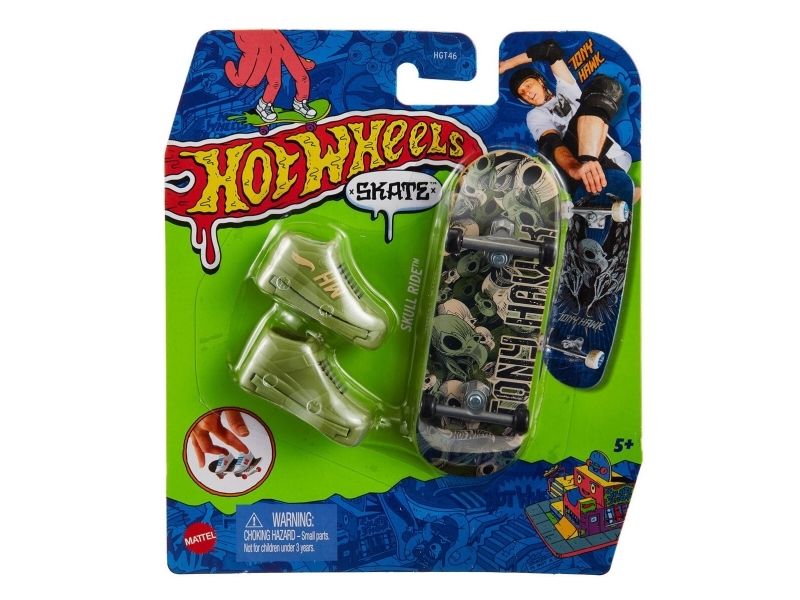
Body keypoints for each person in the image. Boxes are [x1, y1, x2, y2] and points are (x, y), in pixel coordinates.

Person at [500, 40, 631, 194]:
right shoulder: (535, 115)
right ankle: (590, 166)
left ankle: (600, 171)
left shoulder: (567, 89)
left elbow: (551, 50)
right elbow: (552, 142)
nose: (527, 92)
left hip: (616, 158)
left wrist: (506, 65)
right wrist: (573, 168)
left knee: (606, 86)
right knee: (549, 146)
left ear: (540, 81)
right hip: (577, 163)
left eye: (528, 85)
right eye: (522, 93)